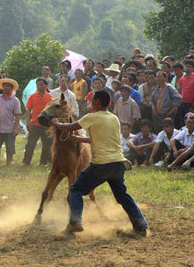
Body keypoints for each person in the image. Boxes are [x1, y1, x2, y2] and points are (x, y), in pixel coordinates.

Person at [51, 90, 148, 235]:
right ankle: (141, 227)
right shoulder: (114, 118)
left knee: (75, 190)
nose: (89, 103)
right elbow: (99, 138)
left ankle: (75, 222)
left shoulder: (92, 117)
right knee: (123, 197)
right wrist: (81, 140)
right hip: (118, 164)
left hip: (102, 164)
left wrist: (56, 123)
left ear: (97, 102)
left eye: (91, 100)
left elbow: (70, 127)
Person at [0, 78, 21, 169]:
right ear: (2, 87)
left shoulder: (15, 100)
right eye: (5, 86)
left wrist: (16, 129)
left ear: (12, 88)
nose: (6, 88)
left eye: (8, 86)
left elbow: (17, 116)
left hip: (10, 129)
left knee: (10, 148)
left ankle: (8, 165)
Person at [22, 78, 53, 166]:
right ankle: (26, 162)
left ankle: (43, 163)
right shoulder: (32, 96)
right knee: (30, 145)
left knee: (46, 146)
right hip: (34, 124)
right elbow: (28, 111)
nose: (39, 86)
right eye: (38, 85)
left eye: (41, 84)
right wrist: (27, 123)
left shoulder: (50, 97)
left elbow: (52, 112)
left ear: (46, 86)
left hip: (46, 125)